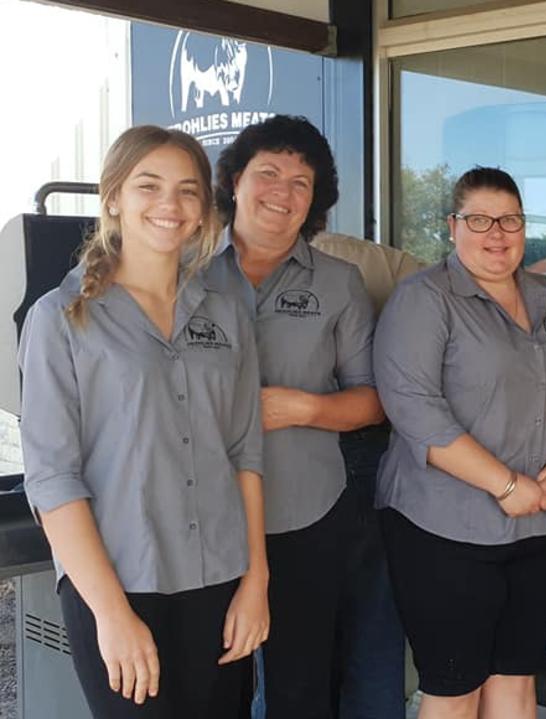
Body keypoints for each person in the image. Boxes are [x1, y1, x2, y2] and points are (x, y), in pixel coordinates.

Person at [18, 125, 267, 718]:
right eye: (148, 186)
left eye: (187, 190)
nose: (169, 205)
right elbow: (53, 481)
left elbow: (245, 453)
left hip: (220, 582)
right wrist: (110, 614)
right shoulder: (61, 319)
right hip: (120, 583)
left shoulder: (228, 315)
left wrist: (256, 581)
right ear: (113, 198)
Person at [373, 167, 546, 719]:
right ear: (452, 226)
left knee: (515, 682)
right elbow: (414, 411)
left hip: (537, 524)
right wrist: (506, 483)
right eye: (479, 219)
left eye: (509, 219)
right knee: (455, 688)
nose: (497, 233)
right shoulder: (424, 298)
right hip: (442, 528)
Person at [204, 115, 385, 719]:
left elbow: (374, 399)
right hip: (199, 517)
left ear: (316, 201)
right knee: (211, 681)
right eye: (269, 174)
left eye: (301, 182)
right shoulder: (180, 270)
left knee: (302, 686)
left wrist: (305, 407)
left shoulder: (339, 284)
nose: (282, 192)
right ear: (234, 181)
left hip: (307, 515)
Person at [311, 231, 423, 719]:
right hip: (375, 452)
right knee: (376, 644)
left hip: (289, 456)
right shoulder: (383, 261)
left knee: (291, 661)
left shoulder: (224, 262)